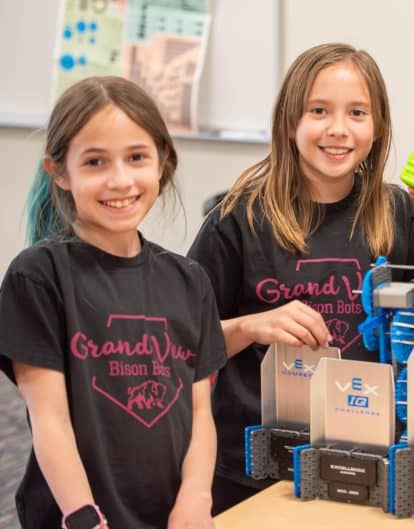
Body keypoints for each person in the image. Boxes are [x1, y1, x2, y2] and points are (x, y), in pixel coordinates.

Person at [187, 42, 414, 513]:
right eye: (319, 110)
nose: (338, 129)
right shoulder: (238, 219)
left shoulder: (395, 212)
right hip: (253, 469)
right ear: (290, 122)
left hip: (369, 459)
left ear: (378, 130)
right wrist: (252, 325)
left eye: (357, 113)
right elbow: (182, 348)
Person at [0, 76, 227, 529]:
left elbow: (200, 412)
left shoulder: (190, 281)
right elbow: (49, 420)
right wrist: (81, 513)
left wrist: (197, 497)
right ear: (60, 171)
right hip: (76, 516)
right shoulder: (37, 276)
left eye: (137, 157)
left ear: (163, 161)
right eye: (95, 162)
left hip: (170, 514)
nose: (120, 180)